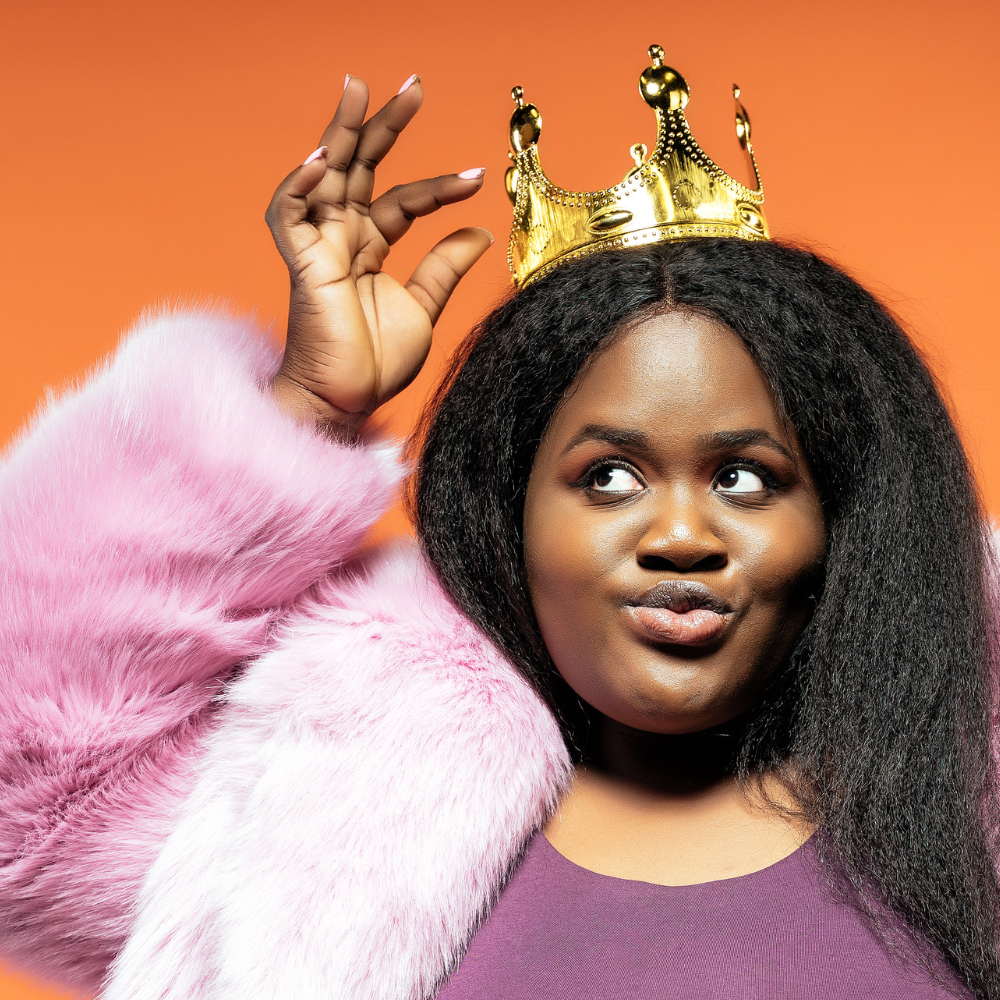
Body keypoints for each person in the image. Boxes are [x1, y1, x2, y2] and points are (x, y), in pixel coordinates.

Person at [0, 63, 997, 1000]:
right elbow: (25, 798)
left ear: (839, 515)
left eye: (743, 477)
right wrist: (305, 404)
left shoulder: (964, 777)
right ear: (510, 510)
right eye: (606, 478)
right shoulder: (341, 796)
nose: (681, 533)